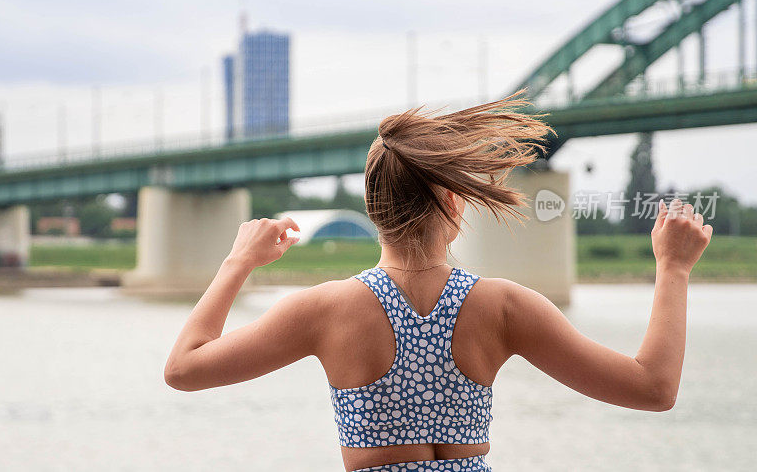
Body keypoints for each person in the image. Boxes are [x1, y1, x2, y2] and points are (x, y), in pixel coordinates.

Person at [164, 95, 713, 472]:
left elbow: (183, 369)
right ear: (452, 202)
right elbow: (653, 389)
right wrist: (673, 268)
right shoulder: (503, 307)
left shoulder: (324, 309)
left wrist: (238, 262)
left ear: (373, 208)